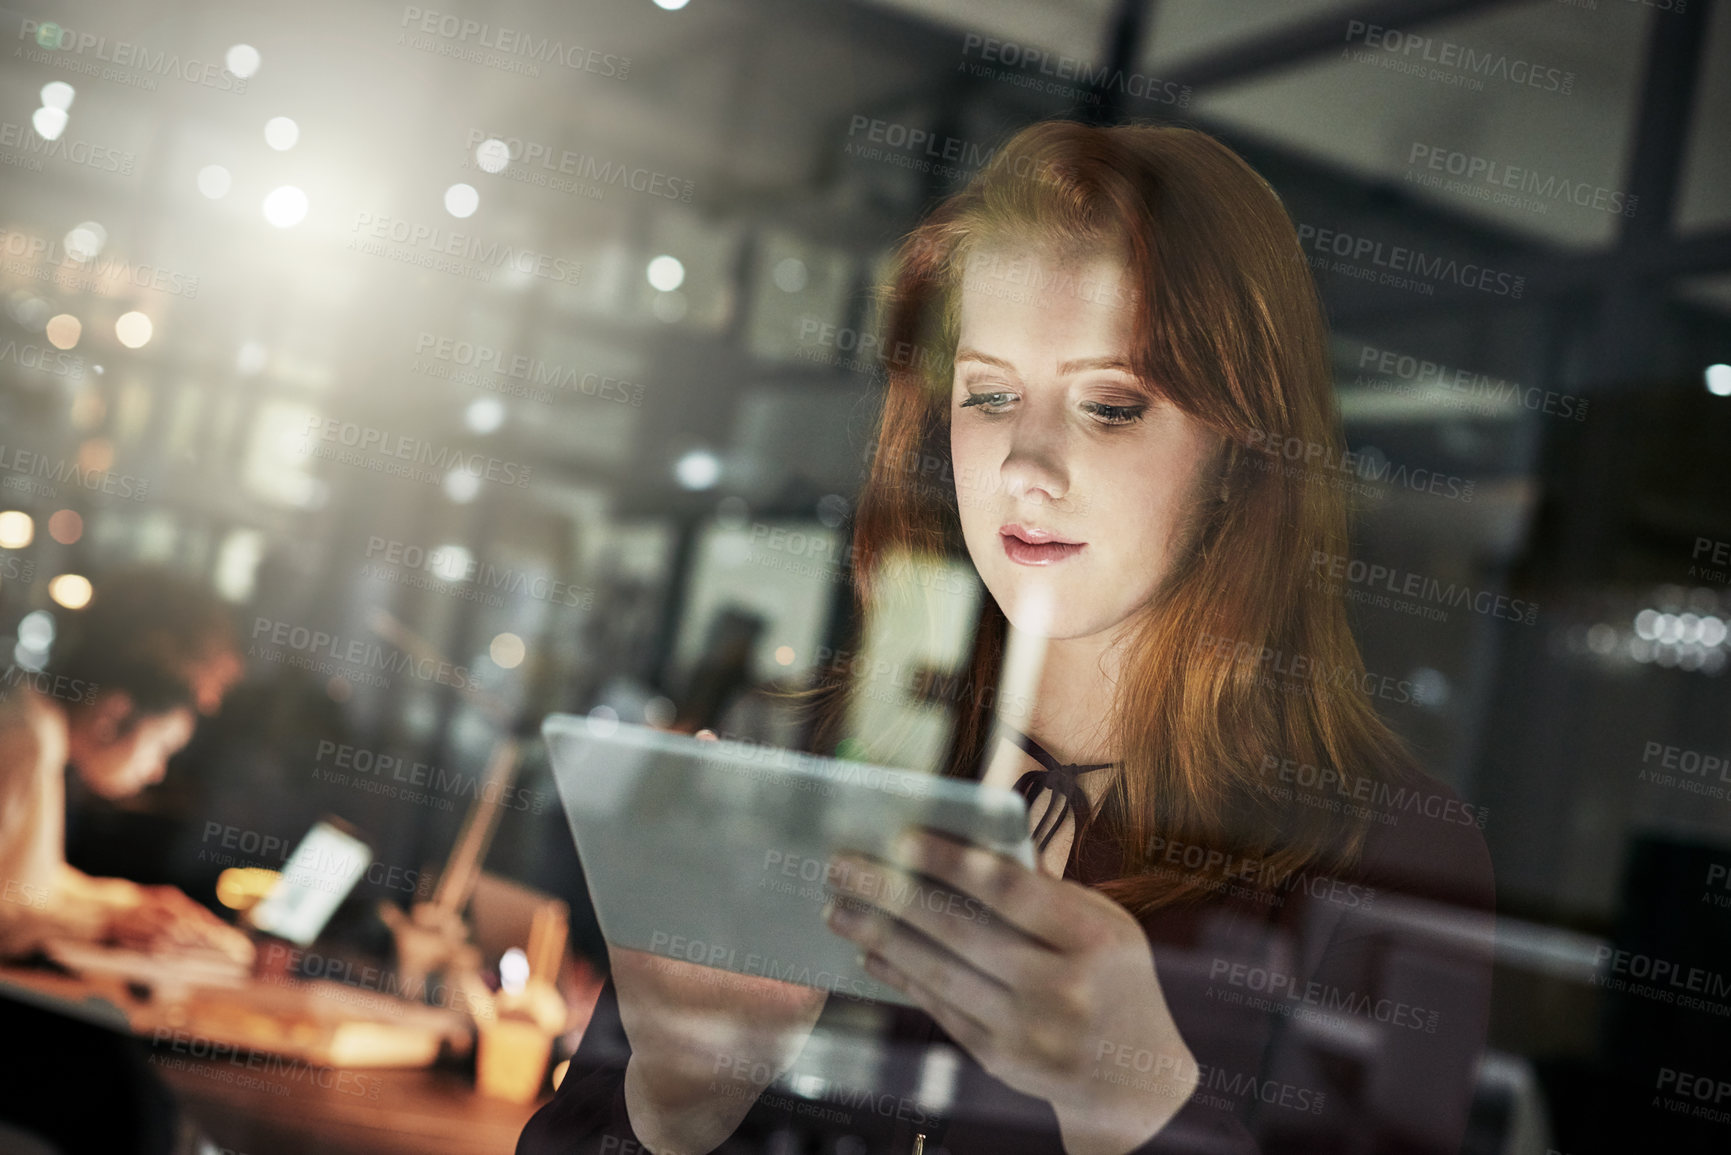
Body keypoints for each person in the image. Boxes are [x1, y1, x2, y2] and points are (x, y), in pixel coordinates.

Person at [520, 121, 1495, 1155]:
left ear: (1243, 450)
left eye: (1111, 406)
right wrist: (675, 1106)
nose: (1028, 465)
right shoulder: (815, 775)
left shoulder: (1389, 855)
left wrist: (1142, 1108)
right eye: (989, 395)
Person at [0, 565, 247, 1155]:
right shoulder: (26, 740)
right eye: (162, 747)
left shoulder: (35, 729)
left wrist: (126, 903)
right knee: (133, 1094)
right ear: (113, 713)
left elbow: (26, 880)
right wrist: (110, 922)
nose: (158, 771)